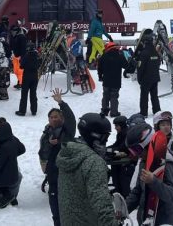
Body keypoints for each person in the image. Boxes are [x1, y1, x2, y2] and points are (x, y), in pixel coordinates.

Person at [56, 113, 115, 226]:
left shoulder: (68, 153)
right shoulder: (94, 162)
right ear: (95, 136)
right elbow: (101, 201)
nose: (105, 142)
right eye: (105, 137)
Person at [125, 122, 173, 226]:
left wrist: (153, 181)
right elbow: (138, 190)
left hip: (165, 221)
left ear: (149, 144)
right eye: (133, 151)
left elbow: (172, 195)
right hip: (146, 219)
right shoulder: (144, 162)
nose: (137, 155)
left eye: (137, 150)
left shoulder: (168, 162)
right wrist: (124, 209)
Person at [38, 89, 76, 226]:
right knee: (55, 211)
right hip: (52, 176)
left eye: (56, 116)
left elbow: (71, 118)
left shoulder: (68, 131)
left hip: (67, 176)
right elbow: (42, 152)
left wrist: (61, 103)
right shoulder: (46, 133)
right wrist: (49, 144)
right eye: (51, 117)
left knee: (68, 211)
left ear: (61, 118)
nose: (54, 119)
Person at [0, 120, 26, 209]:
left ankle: (0, 198)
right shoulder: (13, 139)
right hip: (14, 173)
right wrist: (12, 156)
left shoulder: (4, 147)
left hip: (7, 178)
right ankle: (9, 196)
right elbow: (22, 149)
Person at [134, 30, 162, 116]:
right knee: (154, 96)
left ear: (144, 42)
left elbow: (140, 67)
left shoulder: (144, 53)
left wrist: (139, 79)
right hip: (155, 78)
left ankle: (143, 112)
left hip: (146, 79)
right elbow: (158, 63)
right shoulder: (155, 53)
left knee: (144, 97)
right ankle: (157, 111)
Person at [107, 116, 135, 198]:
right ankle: (118, 189)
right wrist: (107, 148)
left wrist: (108, 150)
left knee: (118, 169)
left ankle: (121, 191)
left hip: (129, 160)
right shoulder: (121, 133)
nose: (115, 128)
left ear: (122, 125)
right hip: (123, 158)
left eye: (116, 126)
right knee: (114, 168)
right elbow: (116, 145)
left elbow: (122, 148)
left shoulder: (127, 134)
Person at [97, 41, 126, 118]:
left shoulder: (104, 56)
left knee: (105, 95)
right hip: (116, 81)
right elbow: (126, 66)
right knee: (114, 96)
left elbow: (99, 67)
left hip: (106, 80)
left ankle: (104, 110)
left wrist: (100, 76)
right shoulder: (120, 56)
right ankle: (114, 112)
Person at [16, 44, 40, 116]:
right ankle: (34, 110)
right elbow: (39, 65)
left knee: (24, 94)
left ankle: (22, 111)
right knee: (33, 94)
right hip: (35, 76)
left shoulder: (26, 56)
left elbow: (21, 66)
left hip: (26, 76)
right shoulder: (37, 56)